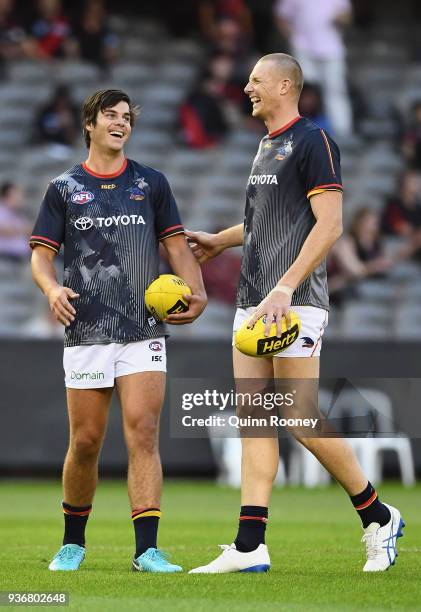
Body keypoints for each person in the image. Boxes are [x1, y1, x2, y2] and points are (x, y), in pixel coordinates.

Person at [184, 53, 404, 574]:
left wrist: (285, 287)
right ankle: (249, 546)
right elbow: (265, 224)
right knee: (254, 420)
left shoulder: (313, 141)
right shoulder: (265, 147)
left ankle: (378, 515)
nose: (246, 87)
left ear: (286, 86)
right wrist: (221, 240)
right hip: (254, 301)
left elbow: (329, 225)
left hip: (293, 302)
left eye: (256, 80)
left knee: (299, 416)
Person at [30, 89, 207, 573]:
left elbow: (175, 245)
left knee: (144, 433)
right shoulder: (63, 188)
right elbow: (42, 256)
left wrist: (198, 290)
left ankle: (147, 550)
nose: (120, 123)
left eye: (127, 117)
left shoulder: (151, 183)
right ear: (89, 124)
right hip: (85, 330)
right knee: (85, 441)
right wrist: (50, 290)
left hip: (142, 328)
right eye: (110, 116)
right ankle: (73, 543)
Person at [275, 0, 353, 137]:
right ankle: (299, 131)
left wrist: (340, 19)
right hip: (303, 48)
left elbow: (346, 17)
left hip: (332, 49)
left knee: (335, 91)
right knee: (304, 93)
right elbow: (281, 16)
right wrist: (293, 38)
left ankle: (342, 133)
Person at [0, 182, 31, 261]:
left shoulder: (18, 214)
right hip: (7, 256)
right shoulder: (2, 211)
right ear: (6, 197)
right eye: (16, 195)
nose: (19, 198)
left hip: (23, 254)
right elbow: (5, 230)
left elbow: (30, 231)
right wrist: (23, 229)